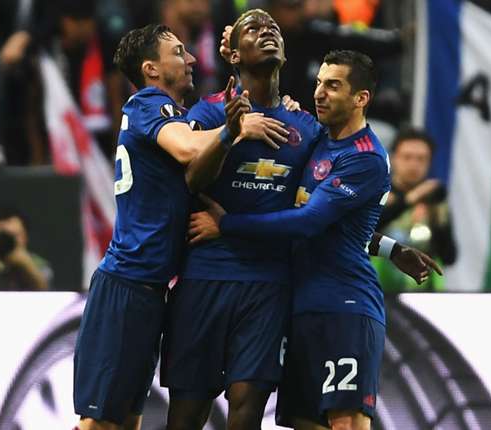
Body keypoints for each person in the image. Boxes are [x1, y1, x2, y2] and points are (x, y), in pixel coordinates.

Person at [160, 10, 438, 430]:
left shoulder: (309, 130)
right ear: (233, 52)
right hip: (208, 278)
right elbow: (190, 180)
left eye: (272, 27)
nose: (267, 30)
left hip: (272, 289)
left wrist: (387, 245)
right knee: (188, 414)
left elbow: (318, 217)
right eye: (253, 27)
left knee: (249, 409)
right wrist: (230, 133)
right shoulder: (213, 112)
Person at [72, 23, 283, 430]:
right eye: (178, 52)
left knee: (127, 421)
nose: (189, 59)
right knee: (99, 424)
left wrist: (243, 76)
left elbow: (203, 134)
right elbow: (189, 149)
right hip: (126, 287)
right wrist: (237, 129)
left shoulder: (177, 114)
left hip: (150, 294)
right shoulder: (149, 104)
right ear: (151, 69)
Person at [376, 127, 456, 292]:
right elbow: (364, 232)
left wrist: (436, 219)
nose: (414, 165)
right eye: (407, 157)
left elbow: (449, 256)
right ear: (393, 158)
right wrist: (410, 199)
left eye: (421, 159)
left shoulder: (435, 201)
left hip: (423, 295)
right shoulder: (377, 194)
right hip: (378, 292)